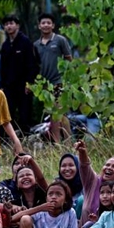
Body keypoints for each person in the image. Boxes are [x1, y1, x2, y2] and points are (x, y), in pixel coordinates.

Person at [33, 13, 72, 141]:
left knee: (59, 111)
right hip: (44, 85)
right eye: (43, 23)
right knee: (52, 114)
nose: (46, 25)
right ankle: (57, 144)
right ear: (39, 26)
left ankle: (67, 141)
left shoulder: (60, 40)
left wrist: (67, 79)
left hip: (58, 81)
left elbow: (69, 59)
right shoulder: (36, 45)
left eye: (48, 23)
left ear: (53, 25)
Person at [0, 15, 38, 134]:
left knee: (25, 114)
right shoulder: (5, 45)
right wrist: (2, 85)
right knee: (7, 113)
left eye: (11, 23)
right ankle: (8, 140)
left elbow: (32, 64)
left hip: (24, 86)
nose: (9, 26)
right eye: (6, 24)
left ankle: (25, 140)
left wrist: (30, 83)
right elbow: (2, 68)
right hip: (9, 86)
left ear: (17, 25)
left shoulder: (25, 42)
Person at [75, 140, 114, 226]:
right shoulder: (93, 182)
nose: (109, 168)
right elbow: (85, 166)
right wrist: (82, 152)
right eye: (107, 165)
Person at [58, 153, 84, 219]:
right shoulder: (57, 184)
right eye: (63, 166)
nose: (67, 168)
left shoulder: (84, 184)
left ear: (78, 167)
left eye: (71, 165)